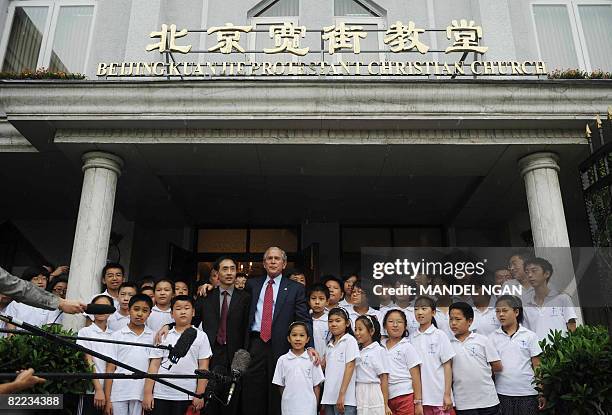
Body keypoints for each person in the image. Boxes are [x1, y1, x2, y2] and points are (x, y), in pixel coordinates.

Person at [241, 247, 315, 415]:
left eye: (277, 258)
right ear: (264, 263)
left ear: (284, 263)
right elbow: (237, 304)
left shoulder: (295, 288)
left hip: (282, 346)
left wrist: (309, 345)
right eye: (269, 258)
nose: (273, 261)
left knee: (279, 391)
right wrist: (209, 287)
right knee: (253, 391)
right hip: (256, 344)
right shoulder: (252, 284)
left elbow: (303, 318)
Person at [195, 256, 250, 415]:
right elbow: (192, 321)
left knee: (230, 403)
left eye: (233, 269)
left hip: (235, 356)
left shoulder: (245, 297)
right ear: (217, 273)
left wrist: (244, 355)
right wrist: (169, 325)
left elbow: (246, 328)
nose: (229, 272)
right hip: (210, 354)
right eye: (225, 269)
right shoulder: (206, 295)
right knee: (209, 400)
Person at [143, 295, 210, 415]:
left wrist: (200, 394)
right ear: (172, 313)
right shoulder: (163, 335)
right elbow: (154, 366)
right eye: (178, 308)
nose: (183, 311)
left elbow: (203, 367)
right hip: (161, 393)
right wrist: (148, 393)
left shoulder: (201, 336)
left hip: (187, 394)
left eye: (187, 308)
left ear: (193, 312)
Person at [490, 295, 544, 415]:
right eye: (498, 311)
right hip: (502, 392)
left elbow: (537, 366)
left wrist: (541, 391)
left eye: (505, 310)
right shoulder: (492, 337)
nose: (501, 314)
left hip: (528, 392)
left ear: (516, 312)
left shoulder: (530, 336)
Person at [104, 294, 154, 415]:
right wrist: (107, 399)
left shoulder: (153, 336)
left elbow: (153, 368)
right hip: (118, 393)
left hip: (140, 393)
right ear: (129, 310)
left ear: (150, 313)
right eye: (136, 309)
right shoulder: (117, 336)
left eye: (145, 310)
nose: (140, 314)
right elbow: (110, 369)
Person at [448, 302, 501, 415]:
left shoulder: (483, 340)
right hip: (463, 403)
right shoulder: (447, 344)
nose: (453, 323)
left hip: (488, 401)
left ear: (470, 321)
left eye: (458, 319)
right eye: (451, 319)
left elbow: (497, 366)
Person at [410, 296, 454, 415]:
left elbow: (447, 367)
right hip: (420, 399)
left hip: (439, 397)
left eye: (424, 308)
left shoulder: (440, 335)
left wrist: (447, 394)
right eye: (416, 309)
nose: (419, 312)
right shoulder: (411, 339)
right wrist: (417, 400)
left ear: (433, 312)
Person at [272, 321, 324, 415]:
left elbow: (316, 386)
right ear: (288, 338)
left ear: (307, 339)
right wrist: (288, 398)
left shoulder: (312, 359)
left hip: (309, 408)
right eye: (294, 335)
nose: (298, 339)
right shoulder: (282, 360)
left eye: (302, 335)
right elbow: (281, 385)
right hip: (288, 408)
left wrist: (314, 406)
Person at [522, 257, 577, 342]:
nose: (529, 275)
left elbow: (572, 326)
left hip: (561, 352)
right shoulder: (526, 306)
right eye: (527, 272)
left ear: (547, 274)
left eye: (534, 271)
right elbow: (527, 334)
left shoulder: (562, 299)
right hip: (539, 353)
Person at [77, 294, 115, 414]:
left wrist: (107, 396)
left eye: (105, 307)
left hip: (110, 392)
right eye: (97, 306)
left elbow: (111, 365)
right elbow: (88, 361)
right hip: (90, 390)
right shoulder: (85, 332)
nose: (101, 310)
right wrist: (98, 389)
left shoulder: (114, 335)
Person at [381, 309, 423, 415]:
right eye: (391, 321)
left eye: (399, 322)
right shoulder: (380, 346)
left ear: (405, 327)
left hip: (405, 396)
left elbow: (416, 376)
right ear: (385, 326)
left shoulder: (407, 346)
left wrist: (418, 402)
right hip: (385, 397)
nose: (395, 325)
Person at [321, 307, 359, 415]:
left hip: (345, 400)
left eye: (338, 321)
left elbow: (350, 366)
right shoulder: (329, 344)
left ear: (347, 323)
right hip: (329, 399)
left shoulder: (350, 340)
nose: (333, 324)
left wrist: (342, 395)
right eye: (330, 321)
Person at [0, 266, 84, 314]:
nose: (40, 282)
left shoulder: (51, 305)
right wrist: (61, 303)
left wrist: (60, 303)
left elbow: (19, 287)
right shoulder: (15, 305)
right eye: (36, 279)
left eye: (44, 279)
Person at [354, 315, 391, 415]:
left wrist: (385, 404)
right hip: (358, 390)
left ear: (371, 331)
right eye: (355, 329)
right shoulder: (356, 350)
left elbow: (384, 378)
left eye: (360, 329)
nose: (357, 333)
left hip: (373, 391)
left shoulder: (378, 350)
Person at [308, 283, 329, 357]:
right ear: (308, 301)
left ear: (327, 302)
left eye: (321, 299)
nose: (317, 302)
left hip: (326, 361)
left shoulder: (329, 321)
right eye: (313, 298)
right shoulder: (305, 319)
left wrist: (326, 359)